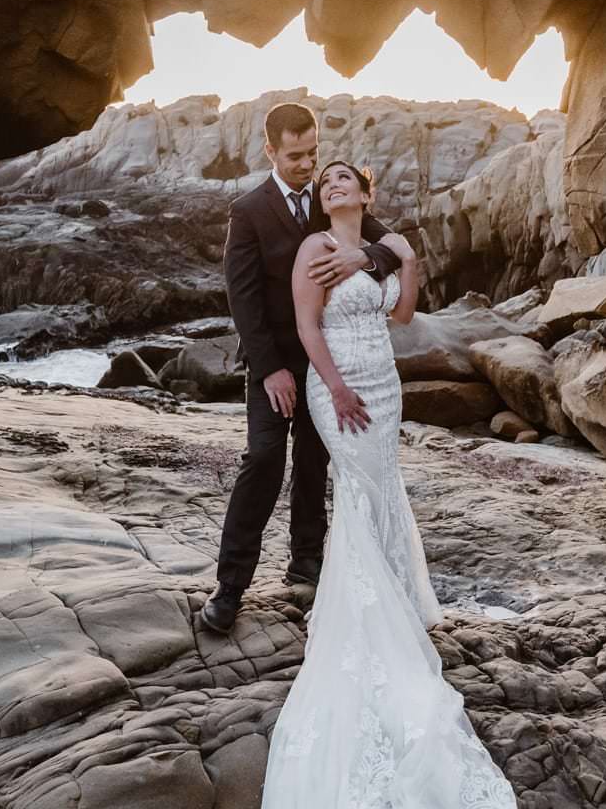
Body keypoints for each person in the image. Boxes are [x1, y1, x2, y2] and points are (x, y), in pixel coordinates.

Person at [260, 160, 517, 808]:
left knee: (382, 485)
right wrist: (337, 386)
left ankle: (395, 596)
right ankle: (363, 609)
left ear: (365, 193)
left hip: (384, 379)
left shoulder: (380, 249)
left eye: (345, 179)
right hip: (339, 382)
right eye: (325, 184)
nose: (333, 186)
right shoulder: (314, 249)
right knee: (356, 487)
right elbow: (307, 326)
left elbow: (403, 317)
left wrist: (409, 266)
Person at [202, 102, 402, 633]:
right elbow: (242, 297)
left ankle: (306, 566)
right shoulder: (248, 211)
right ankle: (230, 586)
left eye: (313, 152)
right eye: (295, 155)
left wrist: (367, 260)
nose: (306, 164)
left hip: (328, 361)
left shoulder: (324, 198)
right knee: (264, 459)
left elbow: (389, 246)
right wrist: (270, 369)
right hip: (274, 366)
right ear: (270, 150)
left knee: (315, 464)